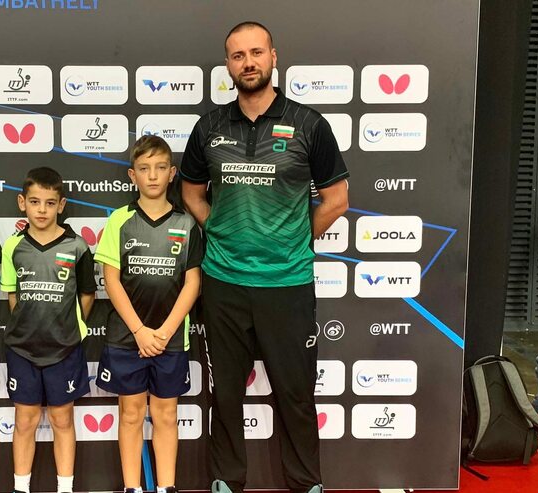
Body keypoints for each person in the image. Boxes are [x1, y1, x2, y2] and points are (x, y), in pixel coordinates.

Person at [180, 21, 350, 493]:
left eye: (256, 53)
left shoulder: (309, 124)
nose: (248, 62)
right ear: (228, 65)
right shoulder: (209, 127)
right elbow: (191, 193)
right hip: (224, 283)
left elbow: (336, 200)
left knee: (296, 394)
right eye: (238, 56)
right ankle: (226, 481)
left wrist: (291, 238)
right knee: (225, 394)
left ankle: (306, 483)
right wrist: (221, 230)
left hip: (287, 284)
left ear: (274, 57)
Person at [95, 135, 203, 493]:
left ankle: (166, 487)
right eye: (144, 169)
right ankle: (132, 487)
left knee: (166, 415)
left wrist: (164, 332)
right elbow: (111, 280)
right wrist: (140, 331)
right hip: (127, 338)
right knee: (129, 415)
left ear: (172, 173)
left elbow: (192, 284)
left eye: (160, 168)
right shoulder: (119, 221)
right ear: (132, 175)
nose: (152, 176)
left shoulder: (186, 224)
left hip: (170, 339)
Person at [0, 167, 97, 493]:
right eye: (35, 202)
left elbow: (87, 295)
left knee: (62, 419)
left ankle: (65, 488)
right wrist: (30, 326)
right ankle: (21, 488)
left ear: (61, 205)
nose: (42, 210)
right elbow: (13, 295)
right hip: (23, 349)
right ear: (22, 203)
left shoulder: (77, 246)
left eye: (50, 203)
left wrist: (68, 328)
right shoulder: (13, 246)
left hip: (64, 349)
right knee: (24, 421)